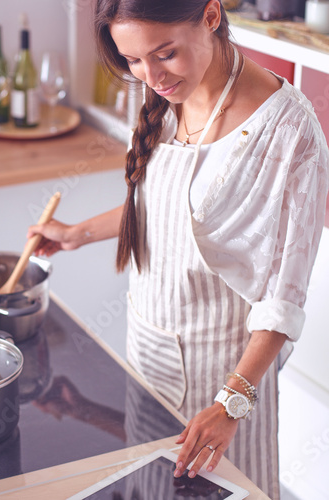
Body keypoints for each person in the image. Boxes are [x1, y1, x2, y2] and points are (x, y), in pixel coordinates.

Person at [27, 1, 329, 498]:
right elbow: (163, 212)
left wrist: (231, 404)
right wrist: (77, 233)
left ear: (211, 15)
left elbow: (283, 298)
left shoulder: (289, 130)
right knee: (150, 486)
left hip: (226, 383)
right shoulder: (167, 98)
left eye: (165, 54)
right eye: (134, 61)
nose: (151, 76)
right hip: (147, 354)